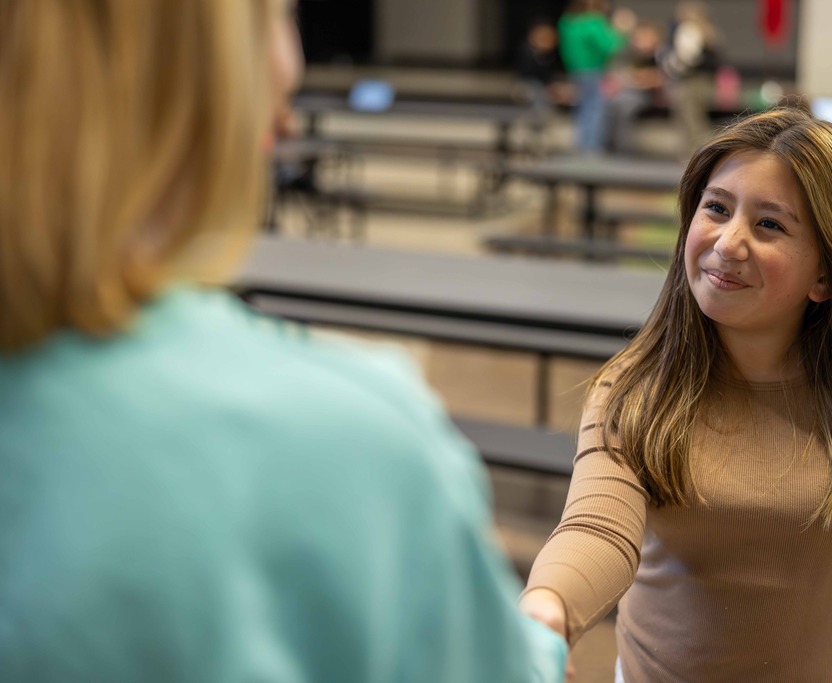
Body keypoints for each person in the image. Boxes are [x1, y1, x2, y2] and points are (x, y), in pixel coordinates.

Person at [0, 1, 567, 682]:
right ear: (215, 64)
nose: (290, 63)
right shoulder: (354, 447)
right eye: (278, 15)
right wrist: (538, 639)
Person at [519, 107, 832, 682]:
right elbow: (597, 529)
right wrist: (548, 606)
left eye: (770, 225)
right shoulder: (636, 389)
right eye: (717, 208)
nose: (729, 242)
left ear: (825, 276)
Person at [558, 0, 634, 153]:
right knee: (594, 108)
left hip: (574, 69)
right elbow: (610, 46)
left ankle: (582, 143)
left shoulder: (567, 22)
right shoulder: (594, 22)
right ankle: (591, 147)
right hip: (592, 69)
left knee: (581, 107)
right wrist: (623, 31)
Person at [662, 1, 720, 158]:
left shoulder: (688, 29)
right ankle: (701, 155)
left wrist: (671, 68)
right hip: (703, 82)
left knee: (689, 121)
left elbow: (686, 57)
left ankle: (695, 156)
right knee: (696, 120)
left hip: (689, 82)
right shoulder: (708, 32)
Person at [603, 20, 666, 155]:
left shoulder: (662, 54)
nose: (639, 42)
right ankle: (607, 145)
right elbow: (622, 75)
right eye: (638, 38)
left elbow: (662, 79)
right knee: (611, 102)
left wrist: (642, 78)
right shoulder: (632, 55)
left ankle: (623, 150)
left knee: (623, 104)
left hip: (651, 96)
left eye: (644, 38)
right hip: (631, 92)